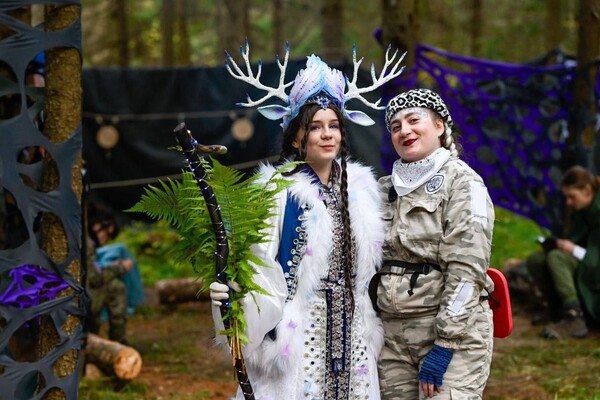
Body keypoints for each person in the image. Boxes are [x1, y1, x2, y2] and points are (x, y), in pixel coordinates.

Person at [209, 45, 404, 399]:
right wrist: (233, 298)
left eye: (334, 126)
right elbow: (257, 264)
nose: (327, 135)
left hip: (354, 330)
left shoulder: (363, 190)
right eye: (315, 127)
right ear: (298, 137)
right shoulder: (277, 191)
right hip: (301, 329)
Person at [371, 88, 495, 399]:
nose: (404, 130)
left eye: (414, 120)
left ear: (439, 126)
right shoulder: (381, 189)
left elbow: (467, 271)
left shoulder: (464, 183)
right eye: (396, 126)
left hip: (451, 335)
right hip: (391, 339)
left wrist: (446, 343)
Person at [525, 165, 600, 339]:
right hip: (584, 261)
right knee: (537, 259)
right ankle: (556, 309)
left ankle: (575, 316)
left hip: (594, 269)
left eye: (572, 196)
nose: (568, 202)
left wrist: (572, 249)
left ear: (587, 190)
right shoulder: (581, 211)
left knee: (557, 258)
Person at [86, 204, 144, 344]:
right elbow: (95, 278)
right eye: (107, 234)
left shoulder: (78, 233)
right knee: (115, 287)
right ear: (98, 226)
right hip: (78, 300)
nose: (105, 240)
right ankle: (115, 341)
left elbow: (92, 270)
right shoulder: (87, 243)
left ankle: (96, 339)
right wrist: (120, 268)